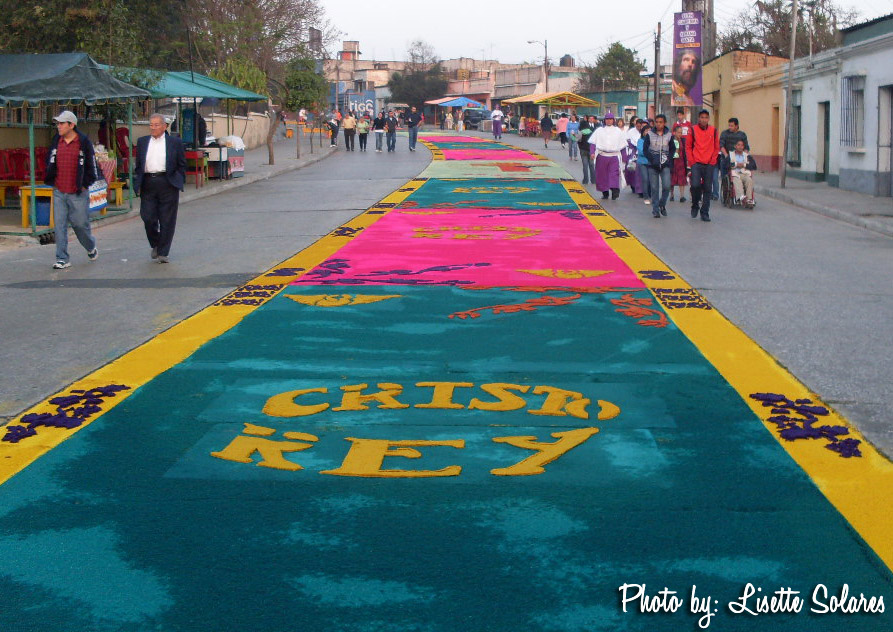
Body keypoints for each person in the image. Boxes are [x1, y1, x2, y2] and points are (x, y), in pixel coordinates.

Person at [44, 110, 99, 269]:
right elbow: (50, 161)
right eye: (58, 123)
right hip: (59, 190)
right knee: (59, 225)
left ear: (71, 125)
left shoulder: (83, 142)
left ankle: (90, 246)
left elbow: (91, 167)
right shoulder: (57, 141)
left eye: (62, 123)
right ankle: (62, 258)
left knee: (80, 224)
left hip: (77, 192)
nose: (59, 126)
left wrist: (84, 184)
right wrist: (51, 179)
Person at [134, 113, 186, 262]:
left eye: (156, 125)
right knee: (148, 217)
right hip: (149, 182)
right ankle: (155, 243)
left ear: (164, 126)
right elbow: (138, 165)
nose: (153, 128)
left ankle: (163, 252)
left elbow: (182, 164)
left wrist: (178, 179)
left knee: (167, 219)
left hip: (168, 182)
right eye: (151, 125)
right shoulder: (143, 142)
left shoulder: (174, 142)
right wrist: (137, 182)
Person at [685, 109, 719, 222]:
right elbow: (688, 147)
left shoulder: (713, 130)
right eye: (702, 117)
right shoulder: (693, 130)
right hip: (696, 163)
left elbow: (716, 147)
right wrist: (692, 161)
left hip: (709, 164)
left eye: (706, 117)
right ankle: (695, 204)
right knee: (695, 185)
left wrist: (712, 161)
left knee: (708, 188)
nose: (704, 119)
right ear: (699, 118)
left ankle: (705, 212)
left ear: (708, 119)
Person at [642, 114, 676, 218]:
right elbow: (645, 149)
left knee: (666, 185)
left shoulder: (669, 135)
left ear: (664, 123)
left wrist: (668, 159)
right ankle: (655, 209)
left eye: (661, 122)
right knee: (654, 188)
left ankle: (662, 204)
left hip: (665, 165)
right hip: (653, 165)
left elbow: (672, 149)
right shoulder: (650, 134)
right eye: (657, 122)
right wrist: (651, 159)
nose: (658, 124)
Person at [592, 112, 627, 200]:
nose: (609, 121)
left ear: (613, 120)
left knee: (613, 174)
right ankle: (605, 192)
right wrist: (592, 152)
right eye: (607, 119)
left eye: (611, 119)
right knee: (602, 176)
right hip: (602, 155)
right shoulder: (599, 130)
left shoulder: (618, 131)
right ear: (605, 120)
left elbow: (623, 145)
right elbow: (593, 142)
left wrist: (624, 157)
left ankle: (615, 190)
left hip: (614, 156)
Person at [730, 139, 755, 207]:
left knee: (749, 180)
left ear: (743, 147)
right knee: (737, 180)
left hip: (744, 173)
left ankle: (749, 199)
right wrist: (736, 164)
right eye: (738, 145)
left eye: (742, 145)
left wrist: (744, 165)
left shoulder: (747, 156)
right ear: (735, 146)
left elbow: (753, 166)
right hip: (735, 173)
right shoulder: (731, 155)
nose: (740, 147)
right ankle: (741, 197)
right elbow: (726, 164)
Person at [670, 125, 688, 203]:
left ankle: (682, 196)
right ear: (674, 133)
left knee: (682, 178)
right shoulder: (671, 141)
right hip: (673, 161)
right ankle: (672, 195)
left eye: (681, 133)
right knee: (672, 178)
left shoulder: (683, 140)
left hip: (681, 161)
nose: (680, 134)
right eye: (678, 132)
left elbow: (684, 151)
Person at [624, 118, 642, 193]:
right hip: (632, 151)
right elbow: (627, 140)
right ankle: (632, 185)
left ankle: (640, 186)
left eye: (640, 126)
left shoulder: (645, 131)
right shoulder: (631, 131)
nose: (639, 127)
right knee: (631, 169)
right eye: (637, 126)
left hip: (641, 151)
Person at [636, 123, 652, 204]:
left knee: (651, 180)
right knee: (645, 179)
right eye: (646, 131)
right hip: (643, 163)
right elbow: (641, 151)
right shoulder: (640, 141)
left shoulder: (654, 140)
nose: (648, 132)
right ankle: (646, 196)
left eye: (650, 131)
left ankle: (650, 195)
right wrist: (651, 152)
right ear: (643, 132)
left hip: (652, 163)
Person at [578, 115, 596, 184]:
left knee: (585, 166)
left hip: (583, 150)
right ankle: (593, 180)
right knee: (591, 165)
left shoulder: (580, 132)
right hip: (590, 150)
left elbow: (577, 140)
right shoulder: (591, 132)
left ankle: (585, 180)